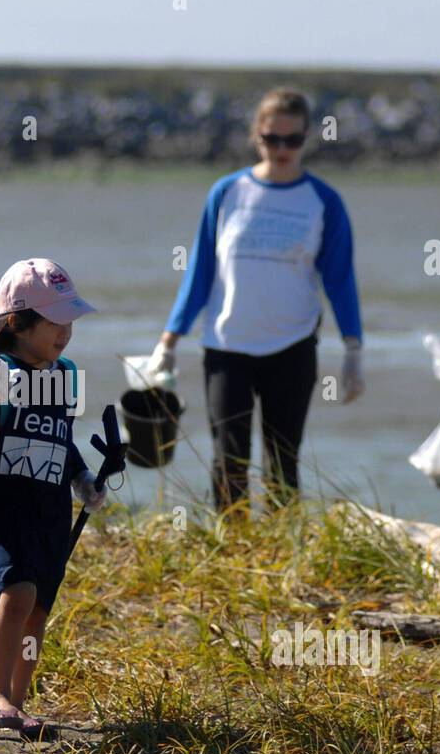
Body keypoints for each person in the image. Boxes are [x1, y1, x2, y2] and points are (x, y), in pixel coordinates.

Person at [148, 88, 364, 510]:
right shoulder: (227, 193)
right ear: (256, 136)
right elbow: (201, 272)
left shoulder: (323, 201)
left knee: (283, 459)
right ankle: (232, 549)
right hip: (227, 346)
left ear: (306, 137)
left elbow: (340, 280)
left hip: (293, 345)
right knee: (228, 457)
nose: (282, 149)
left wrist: (354, 349)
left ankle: (283, 556)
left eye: (292, 140)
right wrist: (169, 341)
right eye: (272, 139)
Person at [0, 259, 106, 734]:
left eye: (69, 320)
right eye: (53, 321)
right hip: (4, 503)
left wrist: (83, 477)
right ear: (18, 322)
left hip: (50, 510)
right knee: (17, 593)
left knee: (39, 606)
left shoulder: (64, 374)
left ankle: (16, 702)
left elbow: (61, 439)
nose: (65, 332)